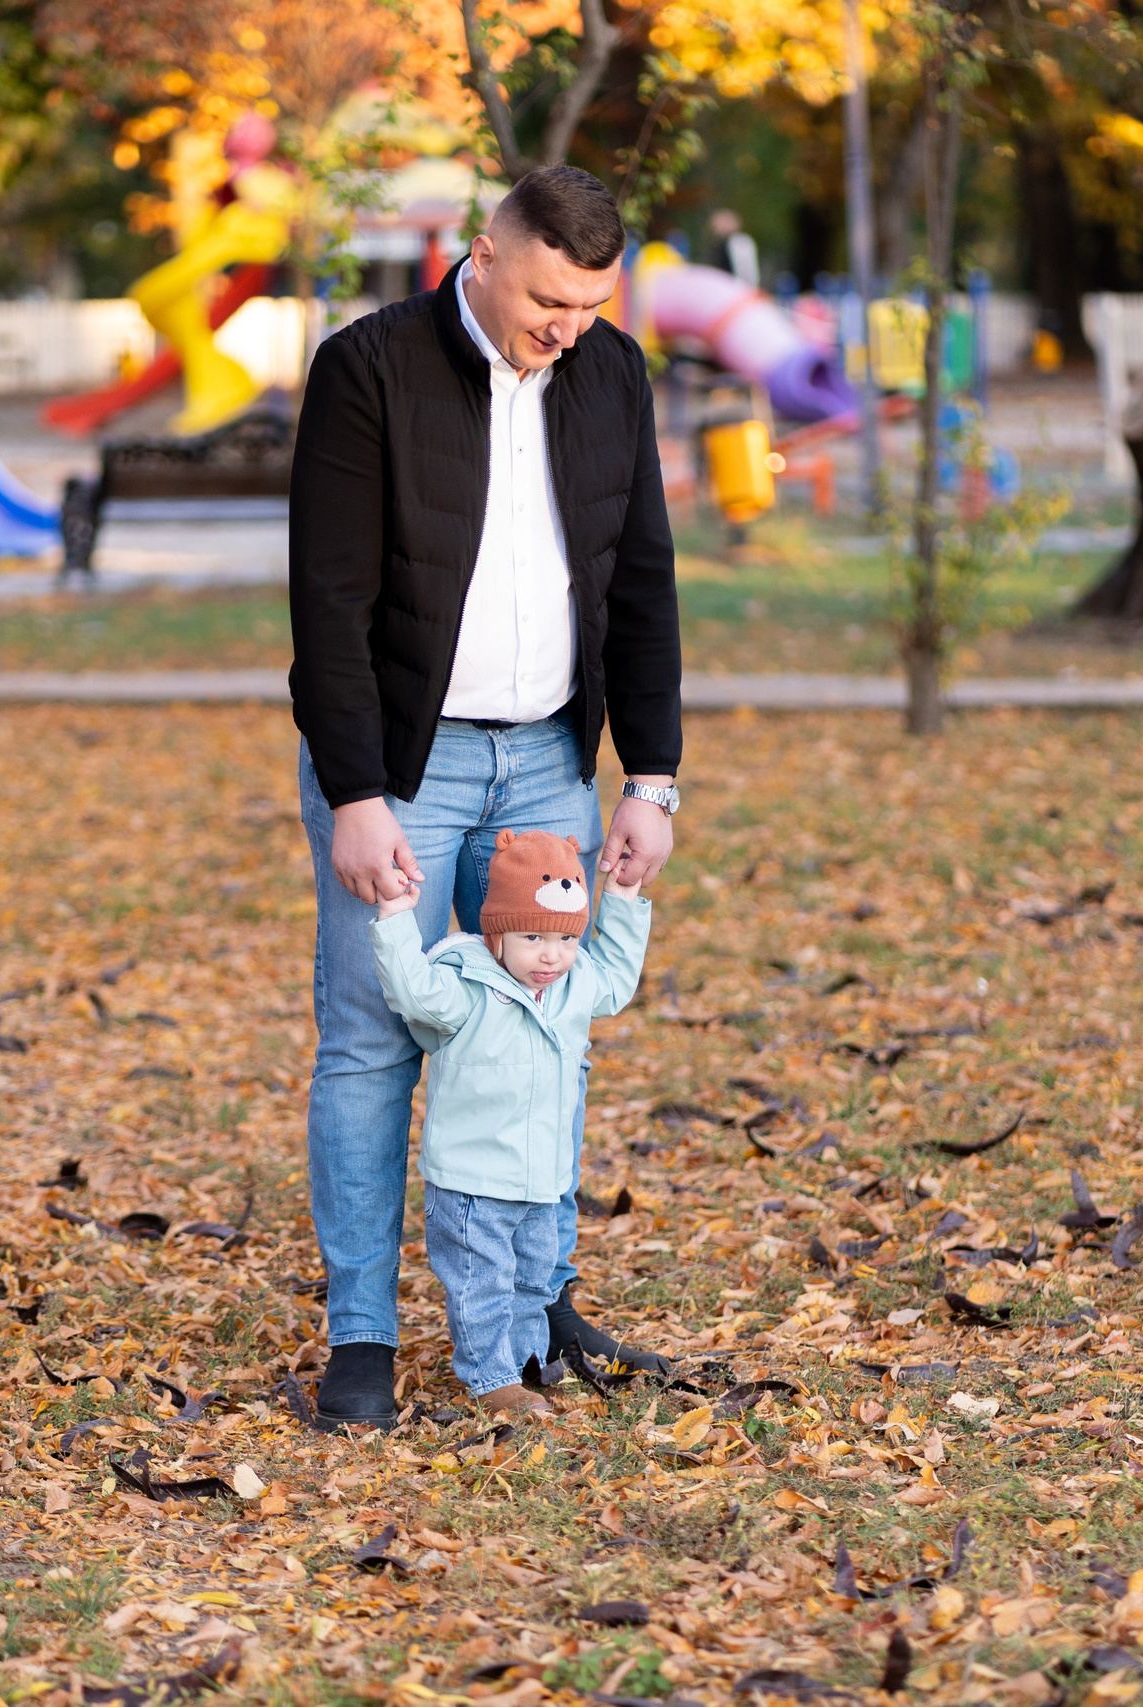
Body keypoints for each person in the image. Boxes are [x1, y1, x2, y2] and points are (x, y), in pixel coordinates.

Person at [288, 164, 684, 1426]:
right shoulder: (369, 370)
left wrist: (649, 777)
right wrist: (357, 793)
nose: (566, 326)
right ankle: (361, 1335)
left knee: (543, 1035)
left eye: (591, 302)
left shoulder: (612, 374)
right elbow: (330, 607)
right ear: (486, 254)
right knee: (367, 1044)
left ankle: (532, 1300)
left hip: (550, 763)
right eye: (550, 299)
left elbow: (643, 586)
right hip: (407, 763)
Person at [369, 832, 649, 1421]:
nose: (550, 956)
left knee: (532, 1281)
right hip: (473, 1181)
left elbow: (618, 978)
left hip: (543, 1181)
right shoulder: (467, 989)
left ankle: (525, 1366)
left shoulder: (573, 988)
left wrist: (622, 902)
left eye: (565, 940)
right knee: (482, 1285)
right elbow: (410, 993)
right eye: (532, 939)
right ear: (496, 934)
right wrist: (396, 916)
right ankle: (491, 1378)